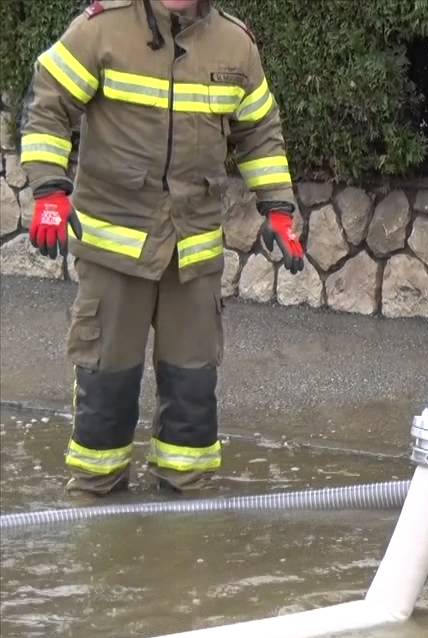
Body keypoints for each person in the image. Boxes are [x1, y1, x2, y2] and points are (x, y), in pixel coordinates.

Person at [20, 0, 304, 495]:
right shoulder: (100, 31)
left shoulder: (235, 43)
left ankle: (184, 513)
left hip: (192, 252)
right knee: (106, 384)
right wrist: (48, 191)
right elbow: (47, 106)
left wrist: (278, 209)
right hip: (115, 248)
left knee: (193, 392)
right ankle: (95, 507)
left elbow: (259, 133)